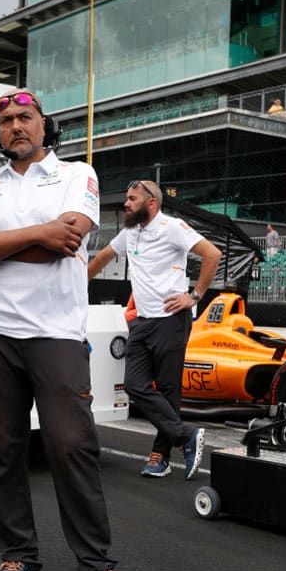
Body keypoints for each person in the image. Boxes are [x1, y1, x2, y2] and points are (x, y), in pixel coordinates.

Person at [0, 89, 141, 571]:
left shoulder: (77, 175)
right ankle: (18, 560)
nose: (15, 126)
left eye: (25, 118)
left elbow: (65, 243)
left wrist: (3, 244)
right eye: (6, 119)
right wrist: (37, 234)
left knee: (72, 447)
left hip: (56, 333)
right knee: (2, 450)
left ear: (44, 126)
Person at [88, 180, 219, 480]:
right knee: (134, 385)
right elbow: (102, 258)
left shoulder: (172, 227)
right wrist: (77, 281)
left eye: (131, 198)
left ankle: (159, 456)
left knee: (169, 390)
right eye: (126, 197)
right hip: (142, 322)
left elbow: (212, 254)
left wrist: (195, 295)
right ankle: (186, 434)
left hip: (171, 319)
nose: (126, 203)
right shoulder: (129, 233)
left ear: (151, 203)